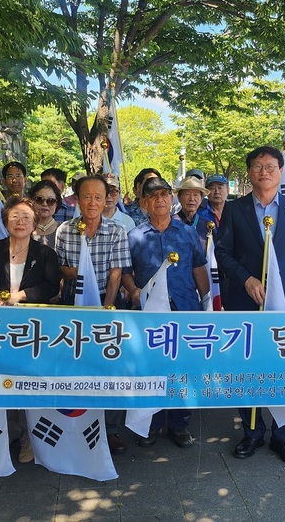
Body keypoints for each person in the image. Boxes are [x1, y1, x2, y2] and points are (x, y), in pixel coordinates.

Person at [215, 145, 285, 466]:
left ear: (281, 171)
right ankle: (252, 432)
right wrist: (245, 278)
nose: (264, 172)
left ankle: (284, 437)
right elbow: (223, 253)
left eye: (271, 166)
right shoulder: (235, 209)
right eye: (258, 166)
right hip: (245, 303)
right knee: (249, 367)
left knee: (284, 368)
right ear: (249, 172)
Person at [122, 177, 209, 448]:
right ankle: (151, 423)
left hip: (184, 310)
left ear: (171, 199)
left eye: (165, 194)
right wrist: (134, 291)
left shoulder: (186, 233)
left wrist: (207, 302)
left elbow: (198, 269)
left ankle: (180, 424)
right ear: (145, 203)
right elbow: (126, 273)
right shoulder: (135, 237)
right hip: (149, 314)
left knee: (183, 368)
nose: (160, 199)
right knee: (151, 368)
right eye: (154, 196)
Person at [55, 175, 131, 453]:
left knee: (110, 369)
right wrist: (76, 272)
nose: (93, 202)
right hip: (73, 307)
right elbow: (60, 267)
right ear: (77, 198)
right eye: (87, 196)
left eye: (99, 197)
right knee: (76, 366)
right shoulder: (64, 230)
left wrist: (106, 310)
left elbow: (116, 274)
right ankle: (77, 424)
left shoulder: (116, 230)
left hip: (104, 305)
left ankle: (111, 430)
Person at [0, 197, 61, 464]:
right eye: (15, 216)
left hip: (32, 328)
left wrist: (23, 295)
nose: (20, 222)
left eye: (26, 217)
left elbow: (52, 286)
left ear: (34, 224)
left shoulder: (45, 254)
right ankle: (7, 433)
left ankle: (30, 436)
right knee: (1, 378)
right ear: (5, 220)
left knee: (29, 379)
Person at [29, 180, 63, 248]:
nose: (45, 204)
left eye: (50, 201)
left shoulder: (63, 230)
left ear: (57, 203)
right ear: (32, 201)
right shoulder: (24, 228)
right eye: (39, 199)